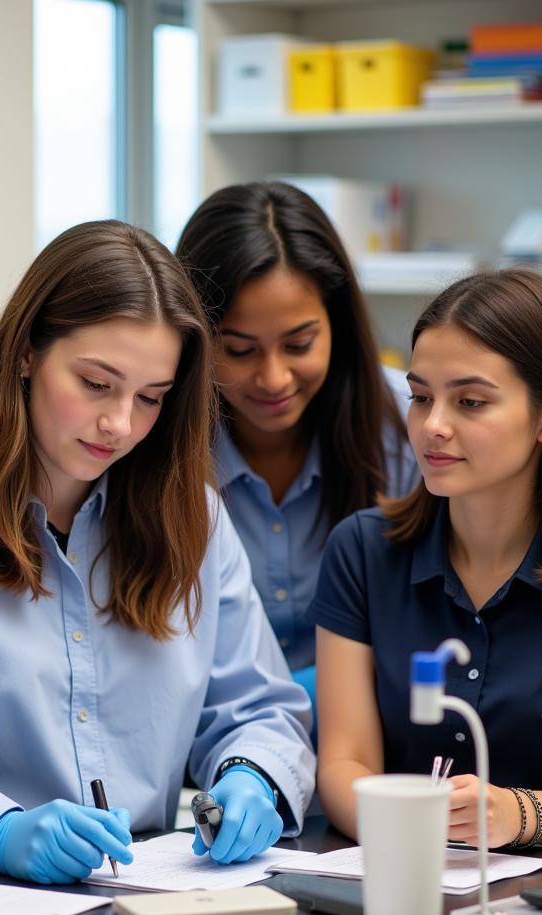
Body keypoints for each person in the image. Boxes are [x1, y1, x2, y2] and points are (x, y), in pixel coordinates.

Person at [0, 220, 314, 885]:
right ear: (28, 352)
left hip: (159, 890)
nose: (120, 424)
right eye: (95, 383)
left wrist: (253, 775)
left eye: (150, 398)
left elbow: (260, 707)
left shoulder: (193, 517)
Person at [312, 268, 542, 847]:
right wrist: (406, 832)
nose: (432, 426)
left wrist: (523, 815)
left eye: (469, 401)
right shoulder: (362, 552)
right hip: (403, 875)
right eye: (420, 398)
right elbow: (344, 763)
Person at [175, 181, 418, 686]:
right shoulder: (157, 440)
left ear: (337, 325)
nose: (274, 379)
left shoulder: (412, 428)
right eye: (240, 350)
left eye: (299, 344)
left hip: (378, 745)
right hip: (210, 747)